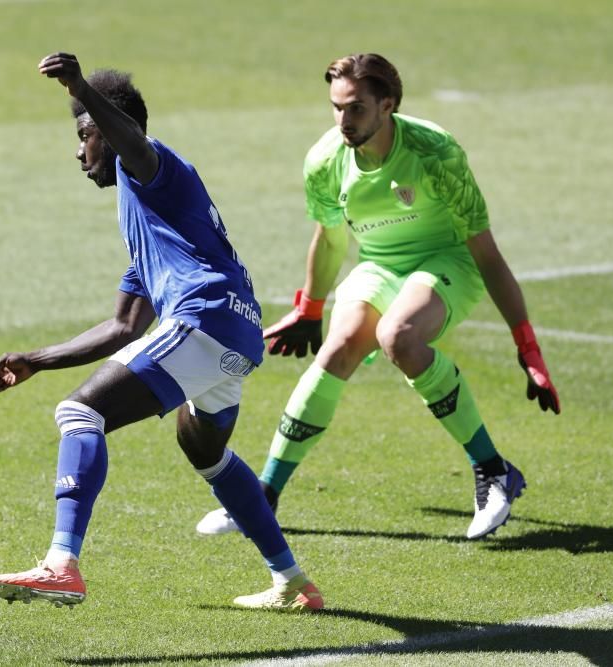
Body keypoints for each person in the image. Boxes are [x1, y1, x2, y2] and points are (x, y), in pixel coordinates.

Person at [0, 52, 323, 611]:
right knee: (204, 449)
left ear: (115, 133)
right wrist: (37, 359)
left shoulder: (154, 167)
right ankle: (292, 581)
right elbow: (124, 326)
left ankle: (61, 564)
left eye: (87, 134)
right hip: (234, 334)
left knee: (79, 414)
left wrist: (82, 89)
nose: (80, 149)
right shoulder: (148, 223)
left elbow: (135, 144)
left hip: (204, 316)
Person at [197, 53, 560, 541]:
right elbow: (329, 239)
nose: (344, 121)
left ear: (387, 105)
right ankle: (264, 496)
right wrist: (310, 308)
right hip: (381, 267)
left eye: (357, 109)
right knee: (338, 347)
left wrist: (527, 346)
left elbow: (487, 255)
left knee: (399, 337)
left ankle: (494, 472)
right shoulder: (325, 162)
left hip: (447, 262)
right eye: (337, 107)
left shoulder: (435, 153)